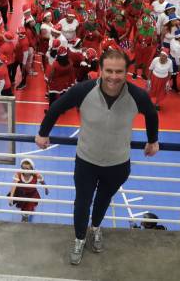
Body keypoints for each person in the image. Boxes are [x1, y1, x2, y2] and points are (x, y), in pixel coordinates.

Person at [35, 47, 159, 265]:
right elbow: (56, 107)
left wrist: (153, 140)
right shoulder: (83, 90)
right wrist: (43, 133)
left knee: (103, 200)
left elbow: (151, 113)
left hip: (118, 163)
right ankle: (80, 238)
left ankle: (96, 228)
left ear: (126, 72)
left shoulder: (137, 96)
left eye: (119, 71)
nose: (113, 77)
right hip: (86, 161)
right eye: (109, 70)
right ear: (100, 70)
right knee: (82, 202)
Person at [8, 158, 49, 222]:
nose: (25, 170)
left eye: (27, 169)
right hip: (21, 193)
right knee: (23, 206)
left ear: (32, 169)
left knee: (28, 207)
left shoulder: (37, 175)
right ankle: (25, 214)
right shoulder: (18, 174)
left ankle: (25, 217)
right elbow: (14, 186)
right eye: (23, 168)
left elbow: (42, 182)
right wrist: (11, 197)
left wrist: (46, 189)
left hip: (31, 194)